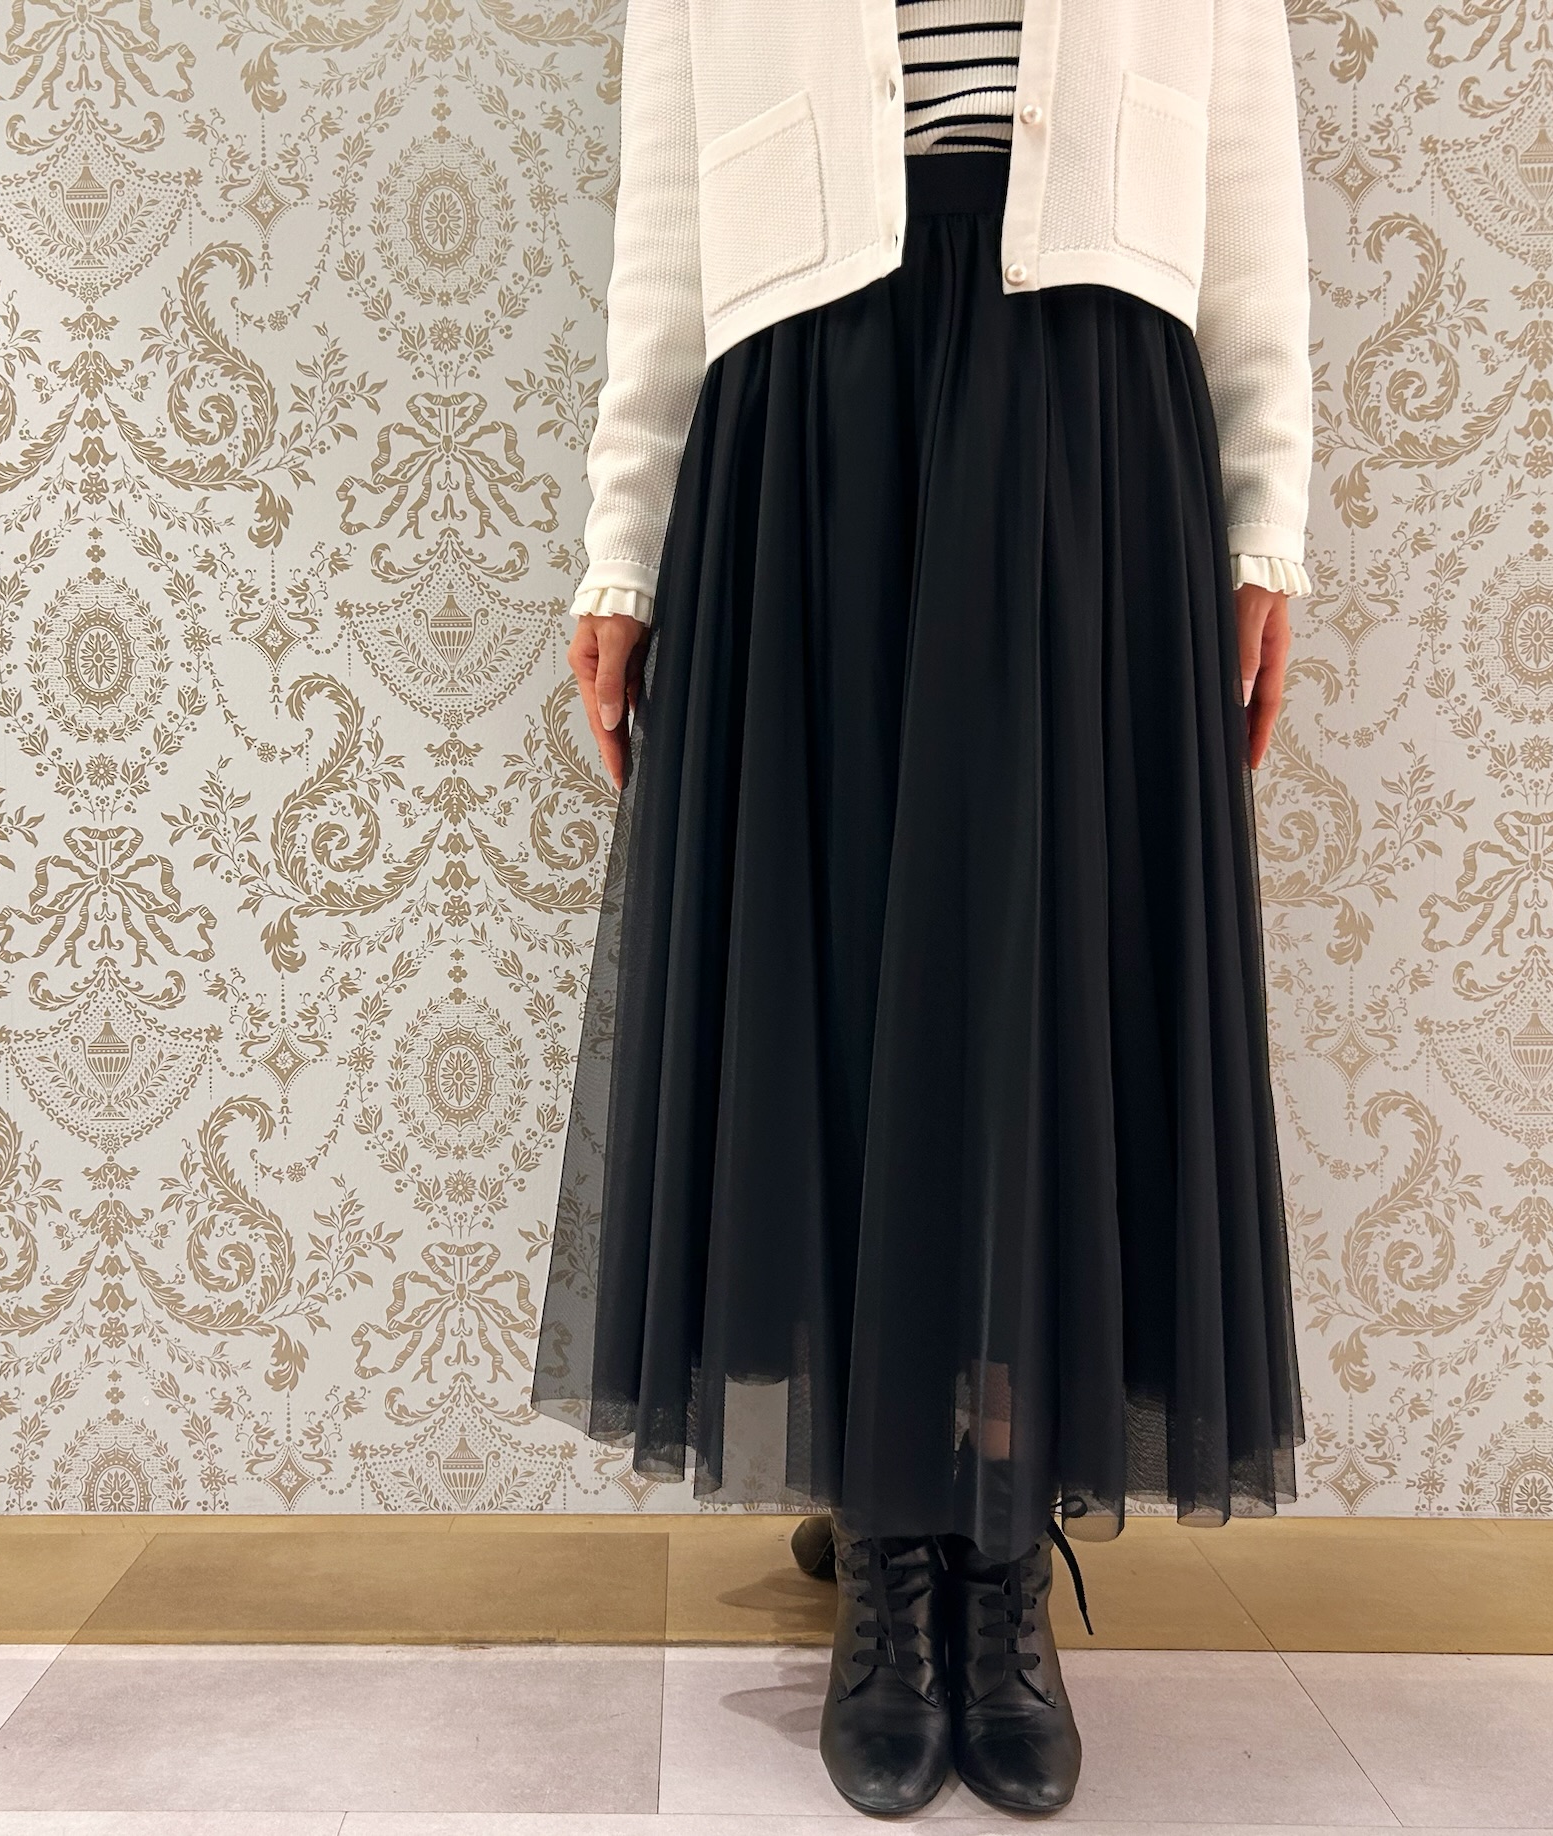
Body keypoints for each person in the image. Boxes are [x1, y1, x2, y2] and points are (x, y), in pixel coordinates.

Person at [533, 0, 1311, 1815]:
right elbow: (672, 197)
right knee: (838, 969)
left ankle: (1001, 1550)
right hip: (813, 416)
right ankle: (886, 1546)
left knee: (1042, 978)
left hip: (1087, 411)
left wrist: (1265, 515)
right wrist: (621, 545)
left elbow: (1244, 153)